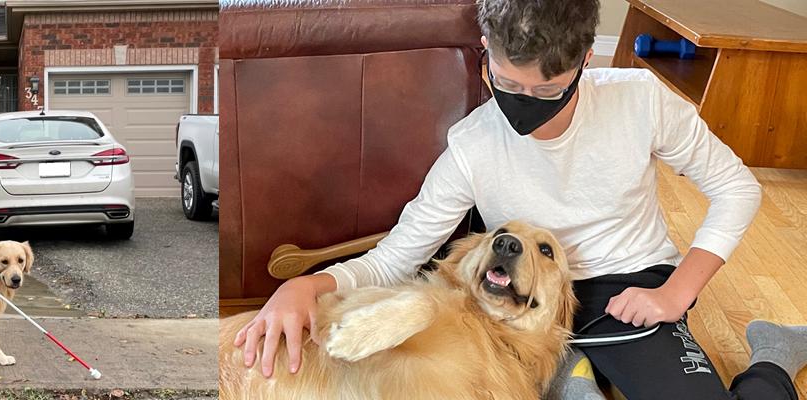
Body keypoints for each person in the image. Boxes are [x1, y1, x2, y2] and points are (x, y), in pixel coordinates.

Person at [233, 1, 807, 399]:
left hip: (627, 288)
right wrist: (305, 285)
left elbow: (737, 187)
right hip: (505, 303)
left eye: (548, 91)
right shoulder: (471, 146)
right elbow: (395, 257)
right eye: (507, 84)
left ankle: (773, 352)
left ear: (585, 60)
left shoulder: (642, 102)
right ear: (485, 50)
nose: (523, 105)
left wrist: (676, 292)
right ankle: (567, 379)